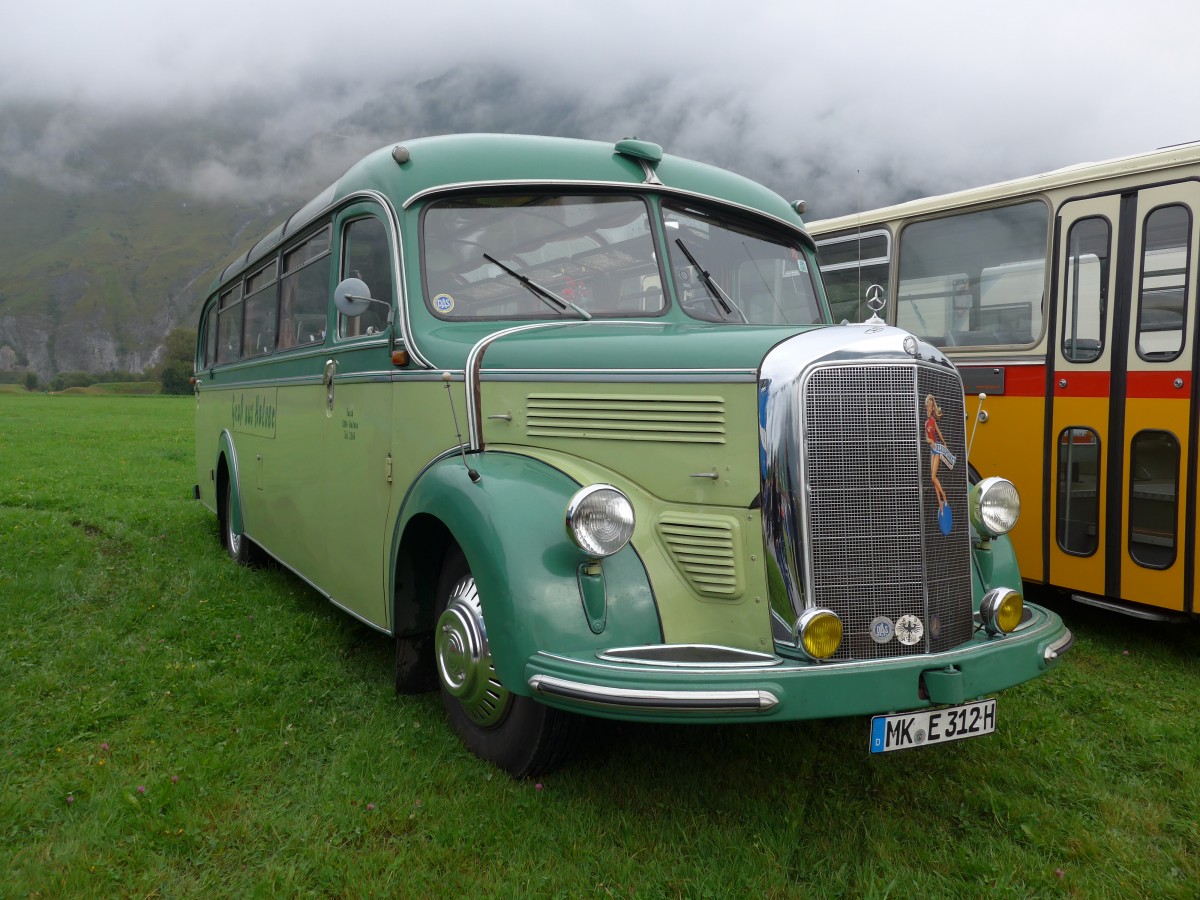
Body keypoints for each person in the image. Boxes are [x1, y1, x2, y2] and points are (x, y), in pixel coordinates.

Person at [924, 394, 955, 516]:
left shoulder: (932, 420)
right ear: (926, 406)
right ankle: (940, 504)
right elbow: (926, 438)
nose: (930, 407)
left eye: (932, 405)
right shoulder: (926, 422)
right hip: (932, 450)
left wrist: (944, 442)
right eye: (929, 405)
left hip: (937, 449)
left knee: (933, 477)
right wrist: (929, 441)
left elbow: (939, 432)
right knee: (934, 479)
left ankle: (944, 495)